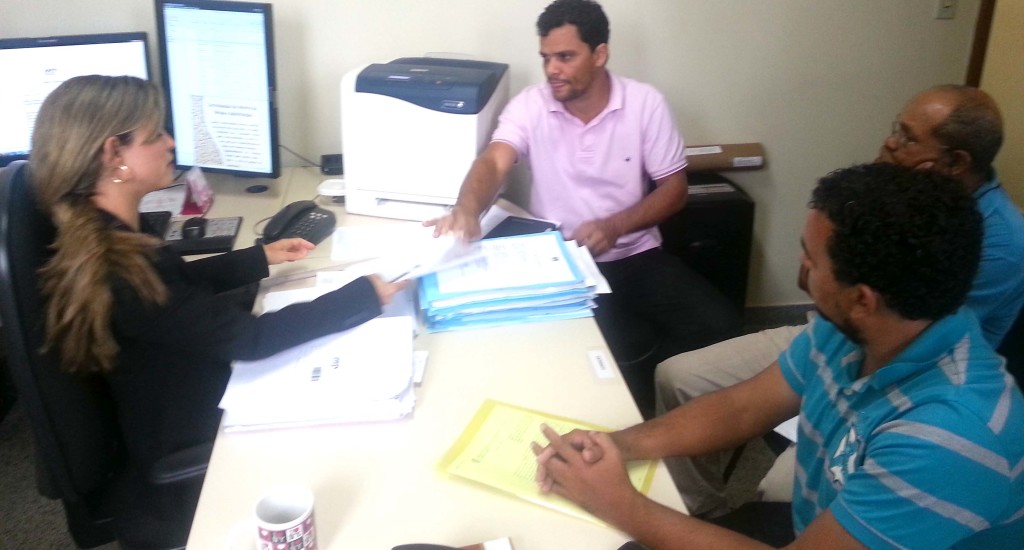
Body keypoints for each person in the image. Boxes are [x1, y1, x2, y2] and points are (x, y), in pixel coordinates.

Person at [534, 163, 1024, 548]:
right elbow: (743, 407)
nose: (801, 267)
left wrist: (620, 504)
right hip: (817, 523)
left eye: (811, 259)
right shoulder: (860, 329)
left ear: (862, 299)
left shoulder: (949, 438)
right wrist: (619, 445)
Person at [30, 75, 405, 547]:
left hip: (171, 400)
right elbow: (250, 339)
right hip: (190, 433)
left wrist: (258, 257)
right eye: (155, 135)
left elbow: (171, 289)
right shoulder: (119, 270)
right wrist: (361, 296)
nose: (170, 143)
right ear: (113, 154)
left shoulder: (108, 237)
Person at [655, 84, 1024, 518]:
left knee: (777, 488)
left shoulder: (999, 244)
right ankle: (701, 510)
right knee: (678, 377)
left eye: (907, 138)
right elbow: (748, 401)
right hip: (842, 329)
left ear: (956, 162)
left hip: (894, 366)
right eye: (896, 129)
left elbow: (908, 336)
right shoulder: (899, 192)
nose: (890, 143)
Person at [425, 0, 741, 413]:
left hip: (636, 254)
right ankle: (631, 411)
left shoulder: (644, 104)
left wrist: (616, 226)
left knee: (721, 326)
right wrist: (467, 209)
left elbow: (674, 189)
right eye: (546, 58)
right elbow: (493, 162)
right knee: (599, 360)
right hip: (564, 262)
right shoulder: (531, 105)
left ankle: (662, 399)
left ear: (600, 54)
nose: (552, 69)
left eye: (565, 56)